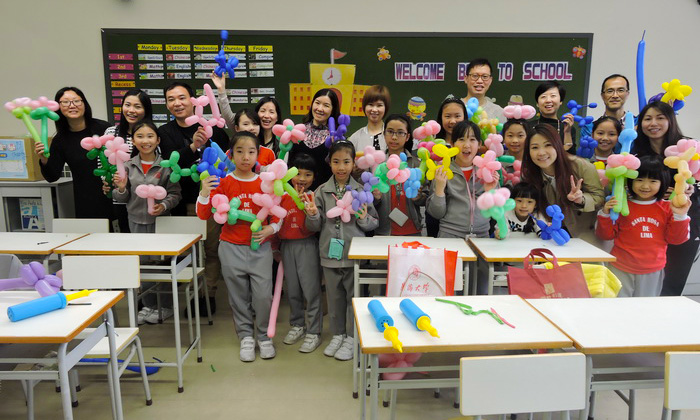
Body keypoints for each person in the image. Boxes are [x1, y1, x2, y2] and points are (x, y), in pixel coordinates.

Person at [196, 131, 281, 362]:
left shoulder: (265, 183)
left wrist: (271, 229)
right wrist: (204, 191)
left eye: (251, 152)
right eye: (240, 151)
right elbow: (204, 214)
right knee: (238, 296)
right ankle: (246, 337)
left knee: (263, 296)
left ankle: (264, 336)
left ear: (258, 154)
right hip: (231, 247)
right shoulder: (223, 183)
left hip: (260, 247)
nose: (245, 157)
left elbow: (277, 214)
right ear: (231, 155)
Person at [158, 81, 229, 313]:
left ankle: (207, 296)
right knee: (186, 253)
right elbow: (169, 163)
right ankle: (187, 294)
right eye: (171, 99)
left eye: (182, 98)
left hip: (212, 203)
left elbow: (227, 164)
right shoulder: (164, 133)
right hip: (182, 203)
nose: (177, 103)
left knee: (211, 251)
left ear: (194, 100)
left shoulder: (214, 128)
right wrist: (192, 146)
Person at [304, 141, 378, 361]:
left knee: (354, 299)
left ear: (354, 163)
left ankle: (353, 337)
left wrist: (363, 218)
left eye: (346, 161)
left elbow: (374, 223)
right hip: (329, 255)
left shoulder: (361, 191)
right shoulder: (321, 191)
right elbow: (314, 227)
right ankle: (338, 335)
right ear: (330, 163)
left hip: (354, 257)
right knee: (335, 299)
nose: (341, 167)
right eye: (336, 162)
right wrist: (312, 214)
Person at [112, 120, 181, 323]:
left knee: (162, 265)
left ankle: (165, 306)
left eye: (150, 136)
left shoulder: (166, 166)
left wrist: (164, 205)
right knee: (142, 266)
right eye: (140, 136)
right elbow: (121, 198)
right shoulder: (126, 166)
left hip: (161, 224)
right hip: (135, 222)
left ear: (158, 140)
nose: (145, 141)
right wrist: (121, 188)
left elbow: (175, 194)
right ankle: (149, 305)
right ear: (133, 140)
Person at [596, 156, 690, 297]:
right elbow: (605, 235)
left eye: (653, 181)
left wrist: (680, 216)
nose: (645, 186)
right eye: (639, 180)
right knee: (617, 306)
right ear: (631, 180)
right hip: (620, 267)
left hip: (652, 270)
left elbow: (676, 239)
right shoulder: (622, 205)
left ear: (663, 183)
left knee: (646, 307)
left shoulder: (668, 207)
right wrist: (605, 213)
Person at [632, 101, 700, 296]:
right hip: (648, 225)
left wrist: (692, 189)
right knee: (645, 284)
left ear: (670, 120)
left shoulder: (689, 148)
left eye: (660, 118)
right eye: (648, 119)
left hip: (684, 222)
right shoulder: (637, 154)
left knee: (672, 284)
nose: (653, 123)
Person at [35, 87, 113, 221]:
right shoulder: (60, 140)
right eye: (65, 102)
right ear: (58, 107)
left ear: (84, 104)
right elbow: (52, 176)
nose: (72, 105)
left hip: (113, 194)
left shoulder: (104, 128)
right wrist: (43, 159)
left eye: (76, 101)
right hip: (86, 200)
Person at [521, 124, 604, 244]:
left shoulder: (581, 166)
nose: (541, 152)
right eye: (535, 147)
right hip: (549, 236)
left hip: (583, 235)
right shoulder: (529, 175)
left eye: (548, 145)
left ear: (558, 145)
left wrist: (581, 200)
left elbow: (600, 198)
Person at [278, 153, 323, 353]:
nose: (302, 179)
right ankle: (297, 325)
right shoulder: (281, 196)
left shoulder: (314, 197)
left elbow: (317, 226)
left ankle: (314, 331)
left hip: (307, 246)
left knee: (311, 290)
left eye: (308, 174)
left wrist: (309, 210)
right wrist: (275, 248)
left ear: (314, 177)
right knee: (293, 290)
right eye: (298, 174)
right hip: (286, 246)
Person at [426, 121, 498, 239]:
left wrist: (490, 192)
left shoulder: (487, 171)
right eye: (461, 139)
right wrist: (439, 189)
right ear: (452, 144)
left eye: (472, 140)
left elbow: (497, 212)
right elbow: (436, 214)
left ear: (479, 144)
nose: (466, 145)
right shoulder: (443, 171)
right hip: (450, 235)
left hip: (482, 236)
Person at [104, 89, 153, 233]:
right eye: (127, 105)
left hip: (144, 200)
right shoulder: (111, 133)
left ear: (145, 110)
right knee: (125, 238)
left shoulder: (153, 135)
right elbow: (103, 164)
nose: (131, 110)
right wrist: (107, 182)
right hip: (119, 197)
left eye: (137, 106)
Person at [373, 114, 423, 236]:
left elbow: (426, 199)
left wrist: (419, 197)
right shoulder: (376, 164)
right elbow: (368, 202)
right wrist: (375, 198)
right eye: (390, 132)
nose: (394, 137)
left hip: (412, 230)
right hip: (383, 231)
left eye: (400, 133)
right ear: (383, 134)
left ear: (407, 137)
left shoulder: (416, 164)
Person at [211, 72, 283, 156]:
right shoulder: (248, 132)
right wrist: (221, 90)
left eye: (271, 112)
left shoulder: (282, 141)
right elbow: (227, 116)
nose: (266, 116)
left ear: (277, 117)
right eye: (263, 111)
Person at [289, 89, 340, 188]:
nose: (320, 109)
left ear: (333, 109)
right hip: (295, 191)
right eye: (317, 103)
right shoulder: (298, 131)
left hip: (324, 192)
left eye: (326, 105)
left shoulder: (335, 137)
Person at [533, 81, 576, 154]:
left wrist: (567, 133)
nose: (548, 100)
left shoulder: (567, 128)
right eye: (543, 97)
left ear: (560, 101)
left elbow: (571, 156)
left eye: (553, 96)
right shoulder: (529, 126)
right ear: (537, 103)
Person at [460, 58, 505, 124]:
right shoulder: (455, 107)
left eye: (485, 76)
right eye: (475, 76)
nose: (480, 81)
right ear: (466, 78)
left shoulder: (499, 112)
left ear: (490, 80)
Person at [348, 85, 390, 151]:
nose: (374, 109)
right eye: (370, 104)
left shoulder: (391, 136)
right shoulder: (355, 138)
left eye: (379, 105)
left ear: (386, 108)